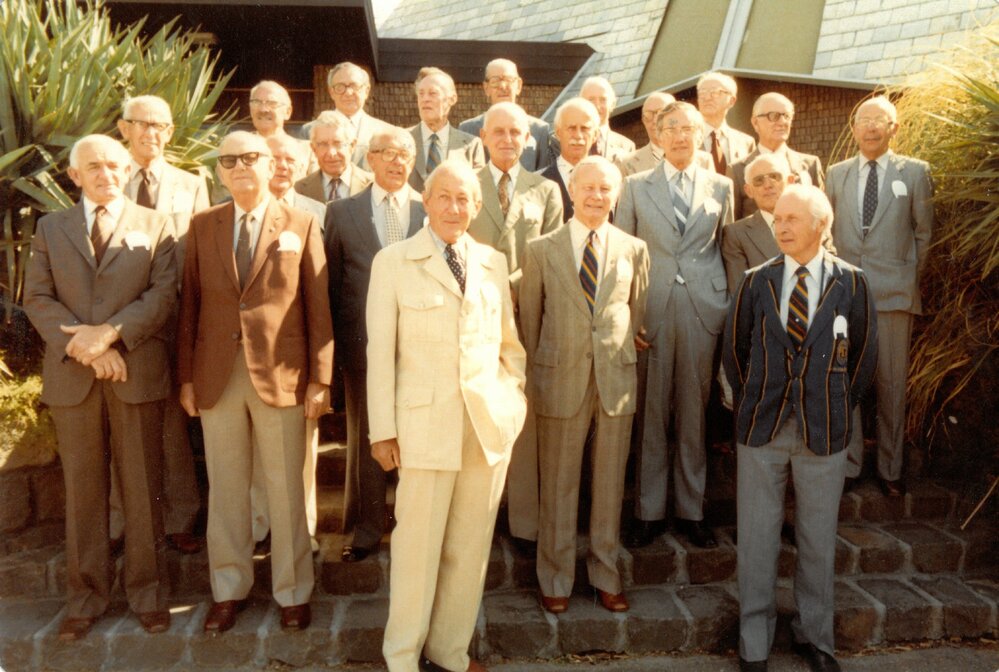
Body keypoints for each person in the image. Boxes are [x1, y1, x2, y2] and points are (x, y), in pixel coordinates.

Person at [367, 159, 527, 672]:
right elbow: (380, 354)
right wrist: (383, 430)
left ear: (476, 207)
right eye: (445, 197)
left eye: (465, 200)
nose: (455, 208)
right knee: (416, 551)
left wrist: (511, 403)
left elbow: (509, 346)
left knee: (469, 549)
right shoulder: (393, 261)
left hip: (484, 430)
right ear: (426, 202)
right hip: (422, 429)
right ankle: (403, 658)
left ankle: (450, 652)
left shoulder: (492, 262)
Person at [177, 131, 333, 633]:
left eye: (250, 158)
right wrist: (186, 379)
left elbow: (318, 309)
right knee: (225, 489)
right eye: (229, 160)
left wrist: (320, 379)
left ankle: (293, 591)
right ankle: (228, 588)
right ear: (219, 172)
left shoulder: (303, 223)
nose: (240, 166)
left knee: (286, 488)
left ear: (272, 165)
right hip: (217, 377)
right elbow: (190, 307)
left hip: (283, 376)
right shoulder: (203, 225)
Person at [23, 134, 176, 640]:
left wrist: (111, 335)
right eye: (94, 167)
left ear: (126, 170)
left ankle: (149, 595)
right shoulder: (51, 227)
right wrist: (89, 348)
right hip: (74, 377)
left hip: (135, 372)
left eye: (114, 165)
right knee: (83, 493)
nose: (106, 174)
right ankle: (85, 599)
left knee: (142, 489)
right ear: (75, 175)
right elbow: (37, 298)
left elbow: (162, 295)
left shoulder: (156, 225)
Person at [723, 185, 877, 672]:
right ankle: (754, 640)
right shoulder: (756, 281)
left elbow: (865, 360)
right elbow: (734, 350)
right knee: (757, 536)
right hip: (762, 427)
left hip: (823, 429)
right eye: (778, 219)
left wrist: (831, 403)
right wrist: (757, 397)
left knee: (816, 537)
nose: (782, 227)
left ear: (820, 225)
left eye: (792, 219)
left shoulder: (852, 283)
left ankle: (816, 637)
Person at [520, 156, 649, 614]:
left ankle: (605, 575)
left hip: (615, 381)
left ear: (617, 195)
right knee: (558, 483)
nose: (596, 196)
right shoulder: (541, 249)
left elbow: (637, 312)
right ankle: (554, 577)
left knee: (610, 485)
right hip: (559, 378)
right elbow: (531, 322)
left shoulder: (634, 248)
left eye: (606, 188)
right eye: (588, 187)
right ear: (571, 190)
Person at [616, 101, 734, 549]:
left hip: (702, 308)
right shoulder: (634, 186)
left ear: (701, 134)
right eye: (673, 128)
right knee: (651, 413)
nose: (682, 136)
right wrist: (627, 315)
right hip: (652, 309)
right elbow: (624, 253)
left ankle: (691, 509)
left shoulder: (721, 186)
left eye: (690, 128)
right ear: (659, 136)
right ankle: (649, 510)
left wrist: (723, 307)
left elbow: (723, 248)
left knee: (694, 412)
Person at [113, 94, 209, 556]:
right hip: (119, 320)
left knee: (172, 419)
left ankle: (180, 518)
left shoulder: (191, 185)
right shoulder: (107, 179)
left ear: (170, 133)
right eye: (142, 124)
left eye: (160, 126)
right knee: (121, 420)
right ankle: (121, 522)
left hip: (172, 318)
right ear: (123, 128)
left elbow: (200, 256)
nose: (151, 133)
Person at [325, 127, 425, 563]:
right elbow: (330, 285)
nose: (396, 161)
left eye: (405, 153)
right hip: (362, 346)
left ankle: (414, 524)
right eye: (386, 153)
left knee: (418, 436)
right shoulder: (342, 212)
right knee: (370, 436)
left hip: (422, 347)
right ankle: (367, 528)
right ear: (369, 158)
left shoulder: (429, 209)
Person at [467, 101, 563, 557]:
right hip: (474, 315)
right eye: (498, 132)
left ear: (529, 139)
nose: (507, 139)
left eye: (516, 133)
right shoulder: (467, 186)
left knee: (522, 415)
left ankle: (523, 522)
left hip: (528, 313)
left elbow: (551, 254)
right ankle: (480, 522)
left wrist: (515, 286)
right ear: (483, 137)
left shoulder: (545, 191)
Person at [826, 96, 934, 497]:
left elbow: (924, 234)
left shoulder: (916, 173)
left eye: (880, 120)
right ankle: (851, 464)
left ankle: (891, 468)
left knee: (891, 385)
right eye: (864, 120)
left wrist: (907, 279)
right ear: (853, 129)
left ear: (895, 128)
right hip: (846, 294)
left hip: (894, 295)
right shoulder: (836, 174)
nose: (871, 127)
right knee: (847, 380)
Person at [265, 132, 327, 552]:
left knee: (302, 452)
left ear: (302, 167)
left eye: (290, 159)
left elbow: (322, 282)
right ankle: (259, 528)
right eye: (274, 158)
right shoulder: (232, 210)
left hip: (298, 349)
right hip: (254, 349)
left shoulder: (320, 212)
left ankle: (301, 530)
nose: (282, 165)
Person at [728, 92, 824, 219]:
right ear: (755, 122)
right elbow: (733, 224)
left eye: (787, 116)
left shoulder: (810, 164)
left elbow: (821, 214)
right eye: (774, 116)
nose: (782, 122)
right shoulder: (737, 170)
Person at [458, 58, 554, 171]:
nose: (503, 86)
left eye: (509, 80)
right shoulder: (467, 129)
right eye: (495, 81)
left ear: (519, 85)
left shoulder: (540, 130)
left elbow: (542, 175)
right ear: (486, 88)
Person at [721, 154, 794, 291]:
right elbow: (741, 292)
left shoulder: (812, 222)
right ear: (749, 191)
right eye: (759, 181)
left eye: (774, 176)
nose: (768, 185)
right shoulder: (736, 235)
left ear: (790, 181)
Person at [408, 67, 486, 192]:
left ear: (452, 99)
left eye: (433, 93)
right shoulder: (402, 139)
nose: (425, 99)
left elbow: (477, 193)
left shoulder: (471, 145)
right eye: (421, 94)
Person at [539, 97, 600, 222]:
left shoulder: (607, 181)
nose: (578, 135)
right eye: (571, 128)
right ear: (558, 133)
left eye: (584, 128)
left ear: (595, 135)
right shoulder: (539, 181)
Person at [326, 61, 394, 170]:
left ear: (366, 91)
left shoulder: (386, 132)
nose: (348, 92)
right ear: (331, 92)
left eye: (354, 86)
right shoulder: (309, 131)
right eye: (340, 87)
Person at [296, 110, 374, 204]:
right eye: (323, 144)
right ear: (314, 149)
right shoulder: (299, 189)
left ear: (352, 146)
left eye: (338, 143)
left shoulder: (373, 185)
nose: (331, 153)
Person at [248, 80, 316, 173]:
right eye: (257, 102)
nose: (263, 109)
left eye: (272, 103)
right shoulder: (236, 149)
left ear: (288, 112)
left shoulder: (308, 151)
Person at [696, 72, 756, 174]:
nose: (707, 98)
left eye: (715, 92)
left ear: (732, 101)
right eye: (702, 93)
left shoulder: (746, 143)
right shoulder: (686, 139)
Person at [579, 76, 635, 162]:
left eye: (603, 100)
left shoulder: (627, 147)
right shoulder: (564, 143)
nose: (597, 106)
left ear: (612, 104)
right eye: (591, 100)